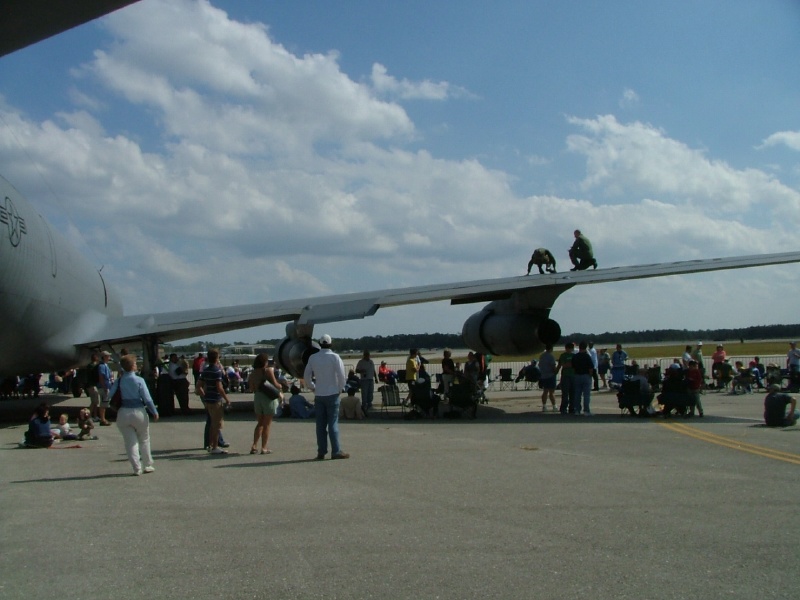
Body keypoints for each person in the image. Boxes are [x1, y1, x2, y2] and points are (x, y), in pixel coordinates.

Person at [110, 354, 159, 475]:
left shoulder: (119, 380)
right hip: (138, 411)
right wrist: (154, 411)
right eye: (136, 364)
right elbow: (147, 399)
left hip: (123, 412)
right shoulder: (139, 380)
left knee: (130, 442)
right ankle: (147, 464)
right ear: (132, 366)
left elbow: (109, 395)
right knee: (144, 439)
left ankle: (136, 468)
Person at [303, 334, 348, 460]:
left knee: (320, 425)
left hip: (319, 394)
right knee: (333, 423)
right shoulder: (335, 357)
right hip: (332, 393)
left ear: (320, 344)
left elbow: (306, 375)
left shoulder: (313, 357)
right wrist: (340, 389)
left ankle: (321, 451)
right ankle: (336, 451)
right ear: (330, 344)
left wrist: (312, 386)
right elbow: (341, 375)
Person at [198, 349, 232, 455]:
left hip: (208, 400)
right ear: (217, 358)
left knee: (211, 423)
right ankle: (215, 446)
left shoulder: (206, 370)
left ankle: (211, 445)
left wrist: (205, 395)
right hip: (216, 400)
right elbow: (219, 387)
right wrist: (227, 399)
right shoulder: (217, 371)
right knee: (217, 425)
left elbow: (198, 386)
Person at [247, 353, 282, 455]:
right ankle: (264, 447)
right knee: (267, 424)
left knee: (260, 423)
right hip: (268, 398)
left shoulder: (252, 374)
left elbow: (251, 388)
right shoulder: (268, 371)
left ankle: (254, 445)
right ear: (265, 362)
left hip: (258, 397)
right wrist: (280, 386)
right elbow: (275, 384)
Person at [572, 341, 594, 415]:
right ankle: (586, 410)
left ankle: (577, 410)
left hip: (577, 375)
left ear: (579, 347)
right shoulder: (587, 356)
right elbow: (591, 367)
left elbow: (573, 367)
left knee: (577, 394)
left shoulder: (575, 356)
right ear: (586, 347)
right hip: (586, 375)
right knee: (586, 395)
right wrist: (590, 375)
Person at [355, 350, 378, 415]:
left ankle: (369, 404)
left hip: (371, 379)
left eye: (368, 355)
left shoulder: (371, 361)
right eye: (366, 355)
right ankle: (364, 405)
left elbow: (373, 370)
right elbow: (356, 370)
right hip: (364, 379)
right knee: (364, 392)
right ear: (364, 355)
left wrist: (376, 378)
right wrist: (361, 371)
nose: (367, 356)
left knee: (370, 392)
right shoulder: (361, 362)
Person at [555, 342, 575, 414]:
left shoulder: (574, 355)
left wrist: (570, 364)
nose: (570, 349)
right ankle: (563, 408)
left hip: (573, 375)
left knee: (573, 393)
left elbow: (574, 365)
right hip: (565, 376)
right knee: (565, 393)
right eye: (569, 348)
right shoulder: (563, 355)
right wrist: (570, 364)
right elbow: (563, 365)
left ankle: (572, 408)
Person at [97, 351, 114, 426]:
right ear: (104, 357)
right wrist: (104, 387)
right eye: (108, 356)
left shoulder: (105, 365)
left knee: (105, 403)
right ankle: (102, 419)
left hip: (107, 386)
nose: (109, 357)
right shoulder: (102, 366)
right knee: (103, 403)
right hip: (104, 387)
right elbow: (101, 377)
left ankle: (103, 418)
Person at [538, 345, 557, 411]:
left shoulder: (542, 356)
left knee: (545, 391)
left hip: (543, 375)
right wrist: (555, 372)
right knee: (551, 392)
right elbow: (553, 366)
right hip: (550, 375)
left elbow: (539, 365)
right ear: (551, 348)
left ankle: (544, 406)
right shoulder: (551, 356)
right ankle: (554, 406)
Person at [84, 353, 100, 421]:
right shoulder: (93, 366)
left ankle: (95, 415)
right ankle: (89, 416)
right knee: (94, 402)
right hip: (92, 385)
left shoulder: (89, 366)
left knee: (95, 402)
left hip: (91, 385)